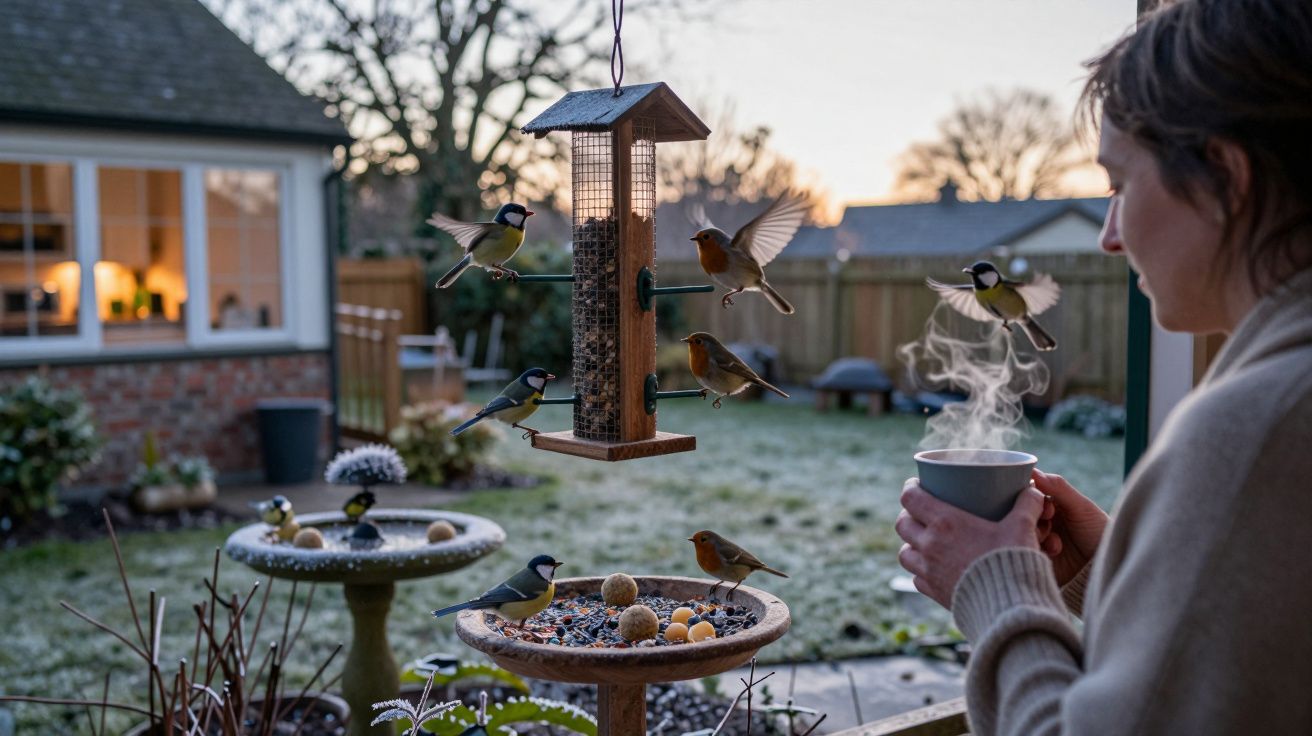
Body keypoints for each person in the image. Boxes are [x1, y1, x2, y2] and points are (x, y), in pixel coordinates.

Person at [895, 0, 1312, 733]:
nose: (1107, 238)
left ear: (1224, 175)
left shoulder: (1260, 425)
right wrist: (1114, 565)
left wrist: (994, 588)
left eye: (1119, 185)